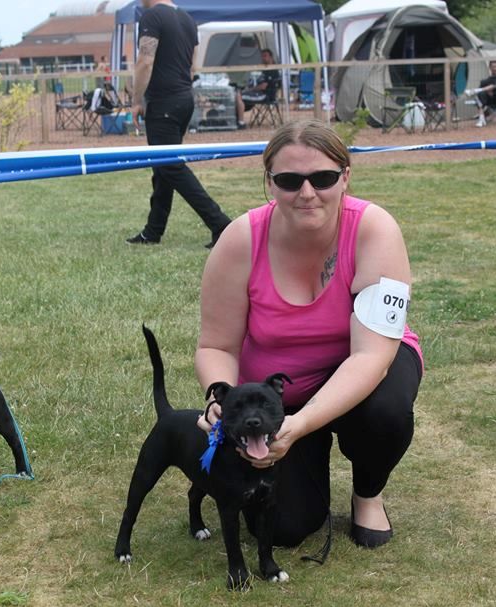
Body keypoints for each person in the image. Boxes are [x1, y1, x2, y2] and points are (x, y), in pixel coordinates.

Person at [195, 120, 423, 548]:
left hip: (362, 366)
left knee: (386, 410)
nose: (306, 193)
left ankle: (367, 494)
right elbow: (216, 345)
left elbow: (371, 357)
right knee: (283, 529)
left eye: (323, 178)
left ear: (346, 177)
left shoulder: (376, 231)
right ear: (269, 182)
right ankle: (306, 456)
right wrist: (217, 400)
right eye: (288, 180)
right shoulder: (240, 240)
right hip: (280, 393)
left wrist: (301, 424)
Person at [125, 0, 231, 249]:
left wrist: (136, 100)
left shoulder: (152, 17)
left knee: (171, 167)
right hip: (184, 99)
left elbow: (145, 61)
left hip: (163, 103)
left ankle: (221, 225)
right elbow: (193, 65)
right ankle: (153, 231)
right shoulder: (187, 19)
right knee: (163, 168)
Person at [233, 48, 279, 129]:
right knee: (236, 95)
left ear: (271, 57)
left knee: (238, 96)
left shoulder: (272, 70)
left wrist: (250, 89)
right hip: (258, 93)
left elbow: (263, 86)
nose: (263, 58)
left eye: (265, 56)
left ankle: (241, 123)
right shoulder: (264, 69)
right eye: (262, 56)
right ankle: (235, 119)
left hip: (265, 95)